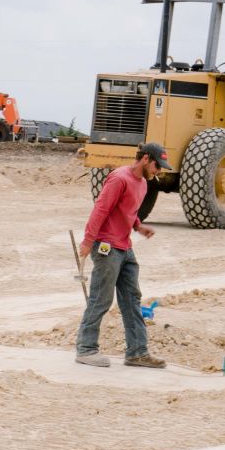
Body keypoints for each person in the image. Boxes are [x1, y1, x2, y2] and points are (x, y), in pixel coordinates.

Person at [76, 142, 169, 369]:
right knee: (101, 298)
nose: (159, 171)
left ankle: (137, 352)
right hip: (107, 246)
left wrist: (138, 227)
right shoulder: (119, 178)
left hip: (125, 247)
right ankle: (86, 349)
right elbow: (101, 209)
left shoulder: (142, 184)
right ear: (146, 159)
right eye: (158, 165)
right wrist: (88, 242)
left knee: (131, 299)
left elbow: (129, 210)